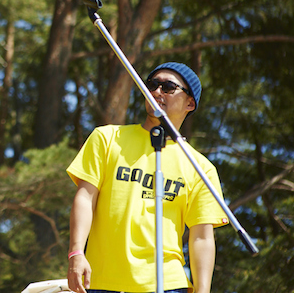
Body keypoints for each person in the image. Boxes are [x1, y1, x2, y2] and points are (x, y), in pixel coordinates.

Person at [66, 62, 230, 293]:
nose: (156, 92)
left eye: (168, 87)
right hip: (101, 282)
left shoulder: (200, 167)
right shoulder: (106, 138)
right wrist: (76, 253)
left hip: (168, 285)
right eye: (152, 84)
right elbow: (84, 198)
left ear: (190, 103)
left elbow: (202, 238)